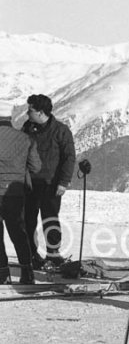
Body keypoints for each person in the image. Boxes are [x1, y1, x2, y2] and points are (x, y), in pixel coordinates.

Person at [23, 94, 75, 269]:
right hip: (30, 184)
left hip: (51, 184)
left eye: (30, 110)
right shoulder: (27, 128)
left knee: (50, 218)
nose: (27, 113)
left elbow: (69, 158)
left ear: (40, 112)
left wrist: (63, 182)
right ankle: (31, 254)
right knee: (28, 219)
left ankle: (53, 253)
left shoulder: (61, 130)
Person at [0, 116, 41, 284]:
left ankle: (3, 275)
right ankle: (27, 273)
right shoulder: (26, 139)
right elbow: (36, 167)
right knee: (18, 233)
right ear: (10, 118)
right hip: (15, 193)